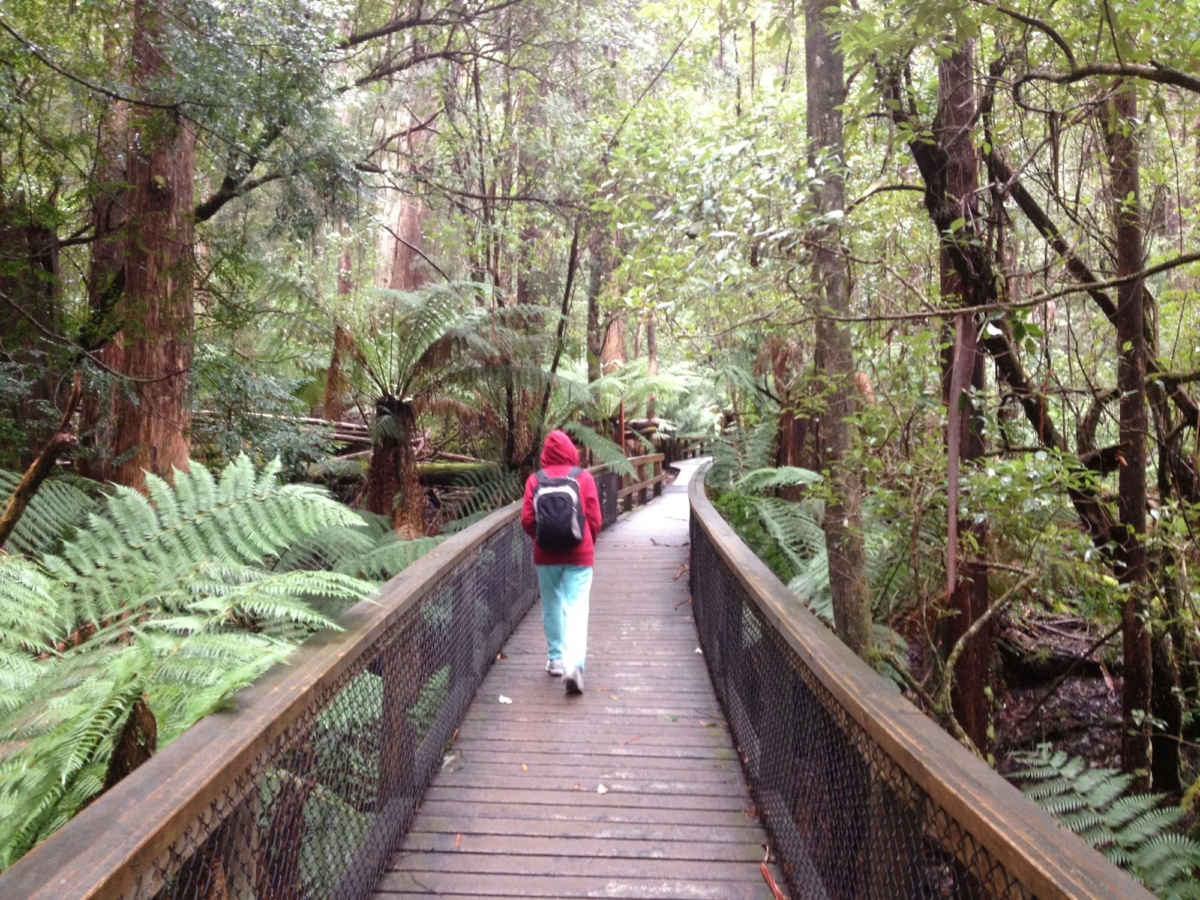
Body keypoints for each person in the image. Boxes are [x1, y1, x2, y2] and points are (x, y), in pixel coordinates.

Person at [520, 430, 603, 695]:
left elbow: (527, 520)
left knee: (552, 604)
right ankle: (573, 665)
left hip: (545, 555)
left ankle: (555, 659)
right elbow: (595, 518)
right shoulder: (583, 478)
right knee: (576, 608)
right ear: (571, 451)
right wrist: (589, 540)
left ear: (545, 454)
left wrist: (541, 538)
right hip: (580, 554)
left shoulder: (535, 480)